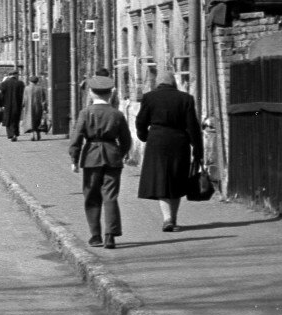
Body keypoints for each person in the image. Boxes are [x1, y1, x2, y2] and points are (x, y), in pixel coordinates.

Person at [135, 68, 204, 232]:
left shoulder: (149, 98)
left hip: (156, 142)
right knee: (176, 179)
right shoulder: (186, 99)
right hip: (179, 142)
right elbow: (193, 126)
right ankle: (172, 218)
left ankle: (167, 218)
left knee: (161, 180)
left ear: (158, 83)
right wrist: (198, 149)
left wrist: (144, 136)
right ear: (174, 83)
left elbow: (140, 122)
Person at [69, 74, 132, 249]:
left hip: (91, 157)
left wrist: (74, 158)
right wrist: (120, 153)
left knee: (91, 196)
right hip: (112, 157)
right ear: (110, 94)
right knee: (110, 196)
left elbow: (77, 137)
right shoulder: (117, 114)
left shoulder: (85, 113)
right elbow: (126, 140)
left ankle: (95, 236)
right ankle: (110, 235)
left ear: (91, 93)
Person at [0, 67, 26, 142]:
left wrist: (1, 104)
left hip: (7, 105)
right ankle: (15, 133)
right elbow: (23, 95)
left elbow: (2, 95)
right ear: (15, 75)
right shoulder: (20, 83)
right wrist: (22, 104)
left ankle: (10, 134)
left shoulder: (4, 83)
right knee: (16, 119)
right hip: (17, 104)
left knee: (8, 119)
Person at [27, 76, 49, 141]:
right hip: (39, 107)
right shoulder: (41, 89)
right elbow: (44, 100)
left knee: (31, 121)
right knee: (38, 121)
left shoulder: (27, 88)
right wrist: (45, 109)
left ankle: (32, 134)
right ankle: (38, 134)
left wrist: (23, 105)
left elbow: (24, 99)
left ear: (30, 81)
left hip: (29, 108)